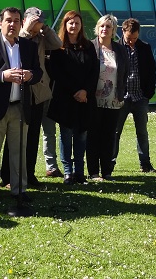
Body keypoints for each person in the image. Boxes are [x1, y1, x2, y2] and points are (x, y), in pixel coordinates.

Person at [0, 7, 42, 204]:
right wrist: (3, 76)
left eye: (16, 21)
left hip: (20, 107)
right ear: (0, 23)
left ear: (21, 24)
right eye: (9, 20)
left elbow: (38, 72)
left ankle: (19, 189)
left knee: (19, 152)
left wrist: (30, 75)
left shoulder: (28, 46)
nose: (12, 24)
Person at [0, 7, 62, 187]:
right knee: (14, 138)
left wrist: (45, 28)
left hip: (38, 93)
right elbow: (17, 44)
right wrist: (26, 29)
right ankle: (7, 176)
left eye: (40, 20)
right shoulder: (17, 35)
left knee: (33, 136)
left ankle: (29, 174)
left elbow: (57, 44)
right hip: (19, 93)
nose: (38, 23)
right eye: (35, 20)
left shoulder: (42, 38)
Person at [47, 11, 98, 185]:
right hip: (65, 98)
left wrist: (85, 91)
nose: (74, 26)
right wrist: (75, 91)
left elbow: (94, 72)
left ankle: (79, 172)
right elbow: (56, 73)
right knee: (66, 135)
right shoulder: (58, 47)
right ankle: (68, 172)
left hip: (84, 99)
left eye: (77, 23)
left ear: (81, 26)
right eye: (71, 23)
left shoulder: (88, 46)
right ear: (65, 25)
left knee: (82, 135)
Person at [87, 14, 129, 181]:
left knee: (109, 136)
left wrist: (121, 92)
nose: (105, 29)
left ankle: (107, 171)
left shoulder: (120, 49)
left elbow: (125, 72)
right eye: (102, 26)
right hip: (93, 100)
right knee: (93, 136)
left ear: (113, 30)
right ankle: (93, 172)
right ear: (97, 28)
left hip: (113, 100)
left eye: (108, 27)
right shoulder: (90, 47)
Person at [113, 18, 156, 173]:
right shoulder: (116, 47)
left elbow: (151, 71)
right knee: (115, 132)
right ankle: (110, 162)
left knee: (142, 132)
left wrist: (147, 94)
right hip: (121, 97)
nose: (132, 41)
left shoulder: (144, 47)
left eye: (135, 38)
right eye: (129, 38)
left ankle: (145, 163)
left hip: (139, 97)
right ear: (123, 32)